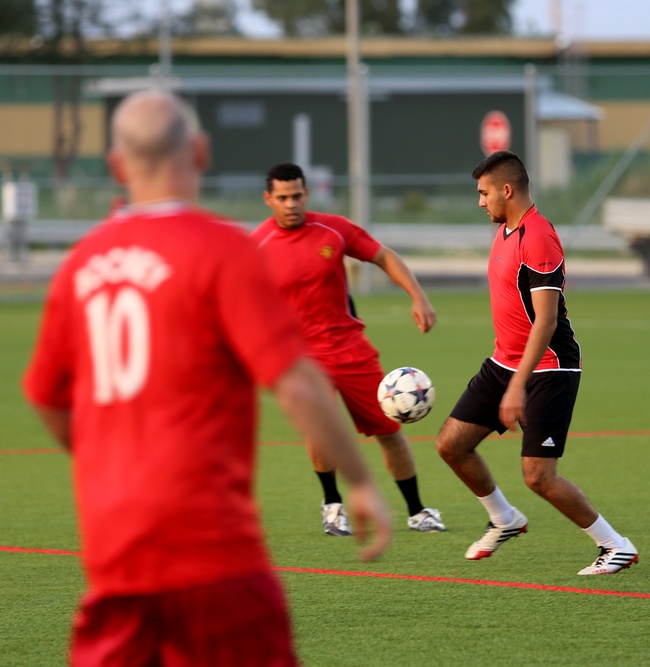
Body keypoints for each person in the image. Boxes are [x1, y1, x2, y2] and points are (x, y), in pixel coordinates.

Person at [22, 91, 391, 666]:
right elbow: (295, 382)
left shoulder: (80, 265)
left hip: (116, 561)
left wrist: (108, 459)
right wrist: (362, 480)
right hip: (215, 558)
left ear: (118, 166)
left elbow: (45, 396)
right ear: (199, 152)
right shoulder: (222, 249)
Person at [435, 150, 638, 575]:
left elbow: (545, 321)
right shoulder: (506, 229)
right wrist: (507, 377)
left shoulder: (538, 236)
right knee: (451, 445)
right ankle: (504, 518)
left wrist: (516, 388)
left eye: (484, 192)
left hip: (549, 368)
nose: (480, 201)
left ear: (507, 190)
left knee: (538, 477)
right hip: (504, 362)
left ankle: (615, 545)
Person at [251, 162, 445, 536]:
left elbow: (383, 255)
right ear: (268, 199)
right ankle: (332, 506)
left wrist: (418, 296)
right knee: (322, 429)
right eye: (282, 198)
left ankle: (417, 510)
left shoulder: (333, 229)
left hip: (349, 347)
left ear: (306, 194)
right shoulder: (256, 246)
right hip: (301, 358)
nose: (290, 204)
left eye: (296, 196)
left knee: (390, 430)